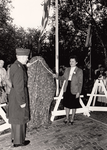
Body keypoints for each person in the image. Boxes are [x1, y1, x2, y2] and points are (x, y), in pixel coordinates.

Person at [8, 48, 30, 147]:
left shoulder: (14, 65)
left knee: (15, 118)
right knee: (19, 119)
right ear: (21, 57)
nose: (27, 59)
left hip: (14, 96)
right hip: (19, 96)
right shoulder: (19, 69)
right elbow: (19, 87)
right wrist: (22, 101)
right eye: (26, 57)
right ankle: (18, 141)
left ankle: (14, 138)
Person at [55, 55, 83, 125]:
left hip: (74, 89)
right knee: (66, 104)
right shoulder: (67, 69)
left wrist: (78, 92)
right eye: (70, 61)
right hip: (67, 88)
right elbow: (63, 78)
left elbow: (80, 82)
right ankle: (67, 118)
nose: (71, 62)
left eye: (73, 61)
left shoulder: (79, 71)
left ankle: (72, 118)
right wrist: (56, 77)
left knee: (73, 105)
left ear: (76, 62)